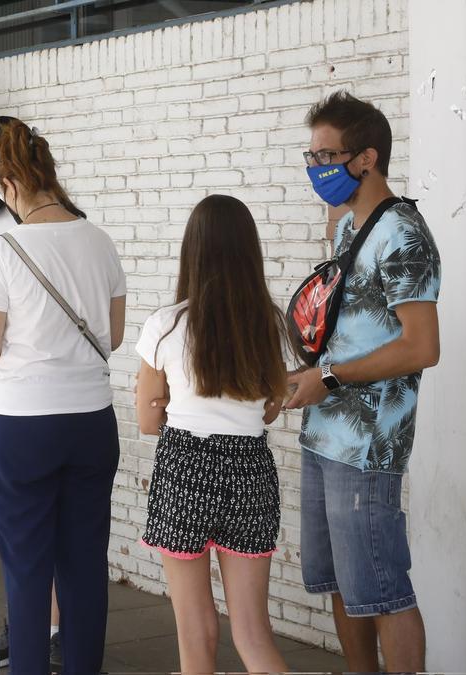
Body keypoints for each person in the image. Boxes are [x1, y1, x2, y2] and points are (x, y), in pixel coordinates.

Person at [0, 118, 125, 675]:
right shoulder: (99, 241)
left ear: (8, 182)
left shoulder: (4, 250)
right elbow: (114, 335)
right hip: (91, 421)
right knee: (83, 564)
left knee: (27, 569)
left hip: (21, 424)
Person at [284, 91, 440, 673]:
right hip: (324, 434)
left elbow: (422, 346)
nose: (315, 168)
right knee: (343, 585)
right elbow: (349, 331)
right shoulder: (351, 226)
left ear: (367, 158)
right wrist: (307, 372)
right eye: (311, 154)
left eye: (327, 156)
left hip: (369, 444)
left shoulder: (402, 234)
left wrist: (328, 375)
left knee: (383, 589)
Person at [134, 194, 289, 674]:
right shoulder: (272, 323)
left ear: (192, 251)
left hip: (184, 467)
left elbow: (146, 421)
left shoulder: (165, 326)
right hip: (251, 472)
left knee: (195, 626)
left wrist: (169, 405)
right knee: (253, 632)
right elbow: (269, 411)